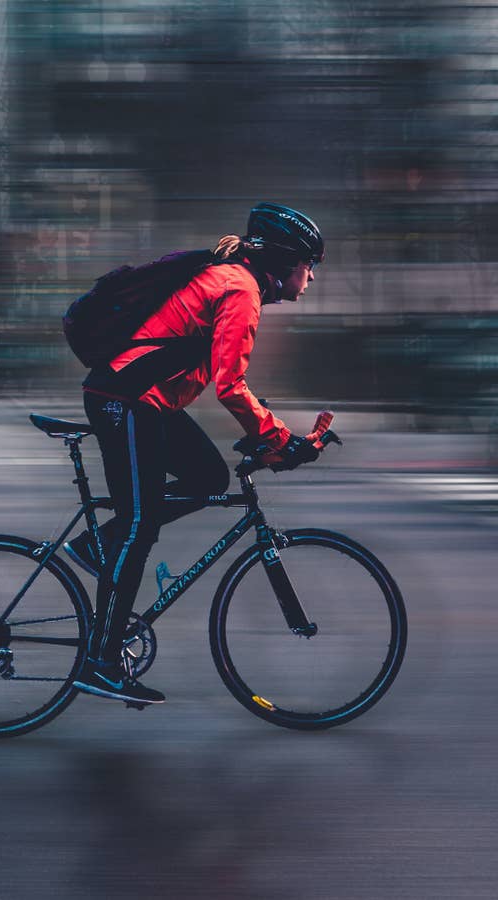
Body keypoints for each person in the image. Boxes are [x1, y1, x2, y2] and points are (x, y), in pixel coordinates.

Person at [68, 202, 326, 705]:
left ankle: (102, 544)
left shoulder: (237, 283)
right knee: (139, 526)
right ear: (285, 261)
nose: (312, 276)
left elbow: (227, 377)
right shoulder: (241, 289)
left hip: (145, 400)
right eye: (309, 264)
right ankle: (101, 662)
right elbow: (231, 386)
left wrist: (271, 437)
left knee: (209, 477)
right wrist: (279, 439)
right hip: (126, 399)